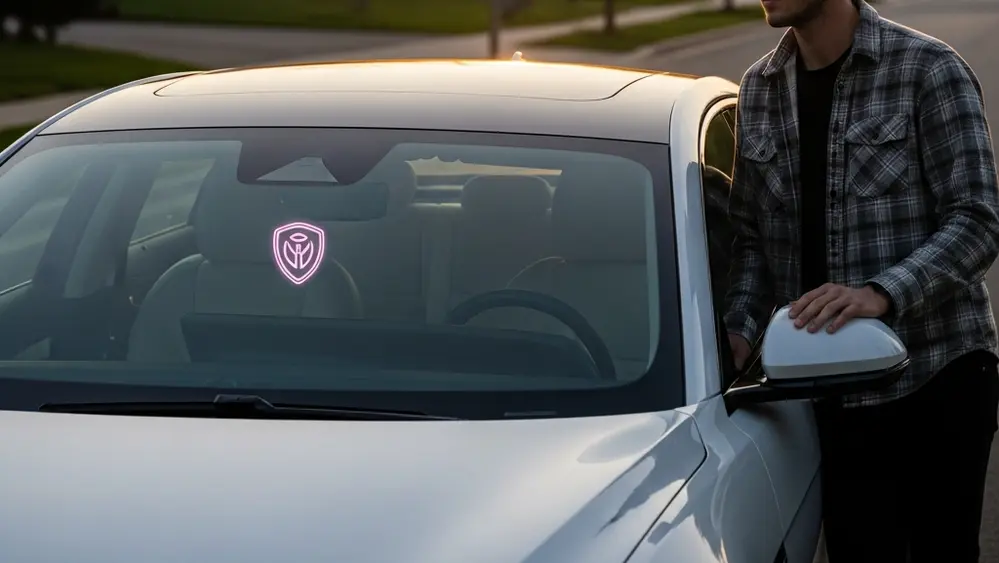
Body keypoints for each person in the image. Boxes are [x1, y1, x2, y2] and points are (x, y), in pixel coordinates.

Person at [725, 0, 999, 561]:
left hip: (937, 379)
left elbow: (978, 220)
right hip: (827, 394)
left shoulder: (928, 69)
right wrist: (738, 334)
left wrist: (882, 293)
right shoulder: (759, 88)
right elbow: (752, 241)